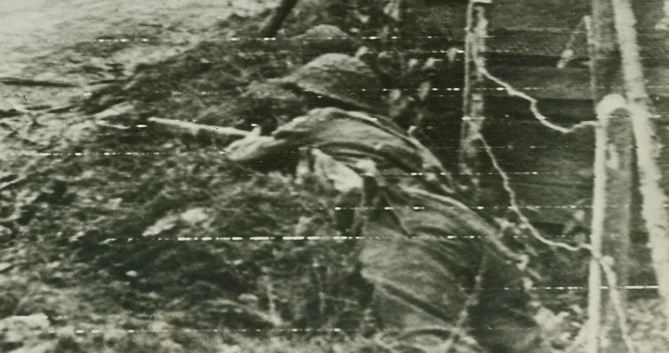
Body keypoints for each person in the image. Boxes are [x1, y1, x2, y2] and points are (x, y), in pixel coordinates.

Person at [226, 52, 549, 353]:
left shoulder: (320, 120)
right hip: (470, 226)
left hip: (408, 228)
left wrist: (249, 142)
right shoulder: (396, 133)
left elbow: (246, 155)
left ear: (316, 97)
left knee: (423, 341)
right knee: (518, 340)